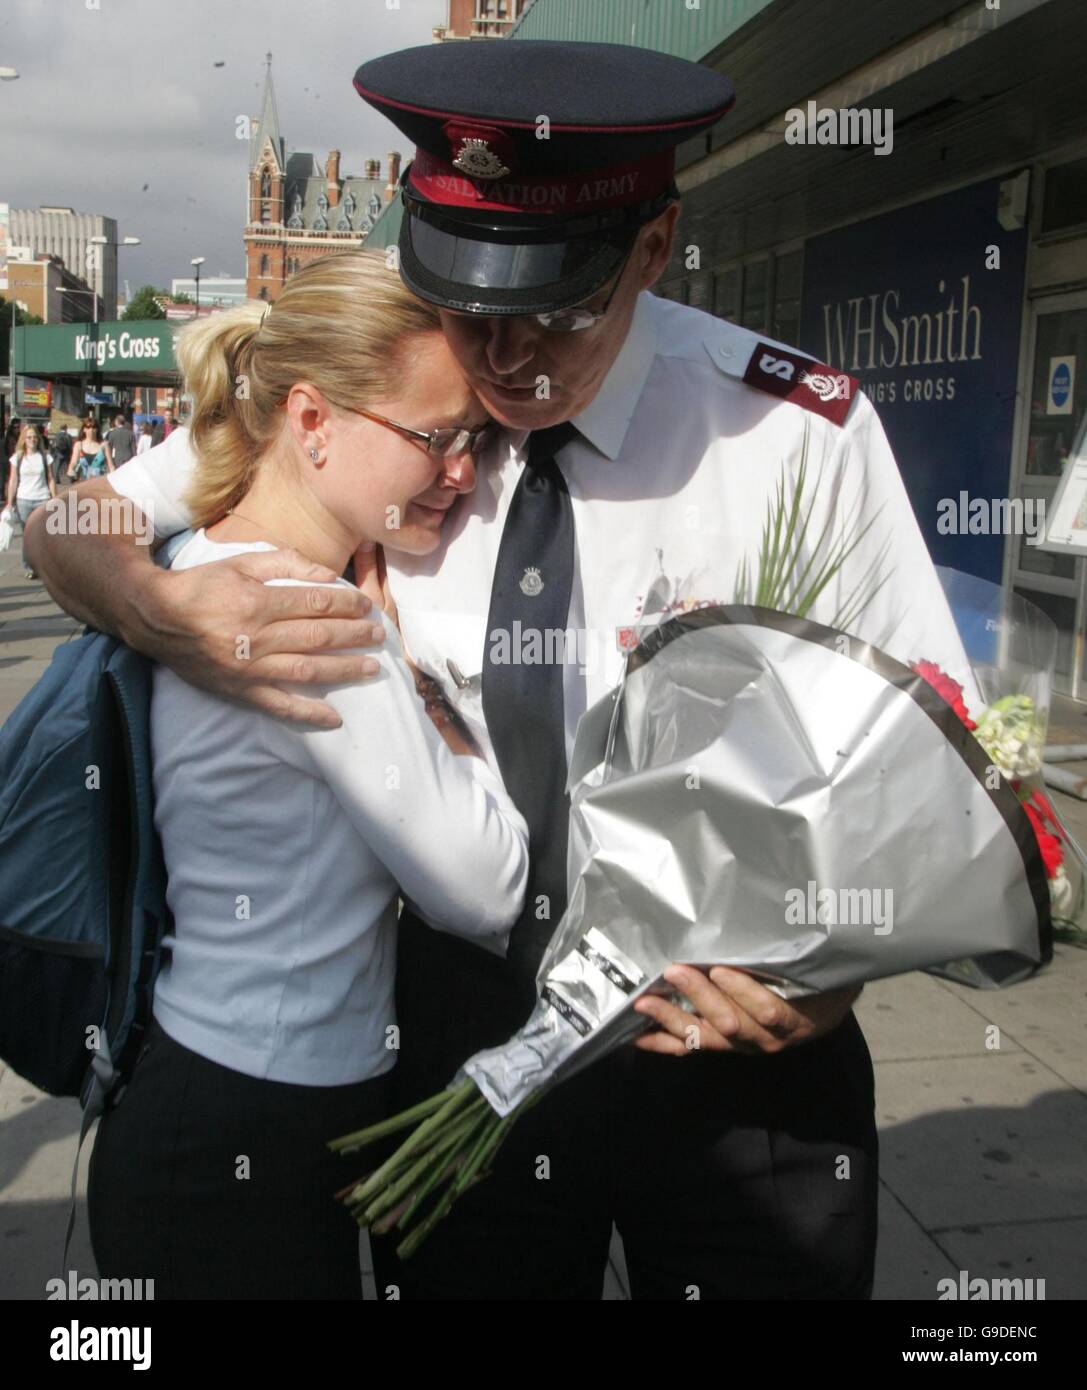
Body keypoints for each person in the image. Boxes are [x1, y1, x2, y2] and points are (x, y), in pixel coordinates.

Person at [28, 41, 975, 1300]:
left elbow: (930, 764)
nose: (509, 355)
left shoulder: (788, 431)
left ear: (652, 249)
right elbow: (75, 519)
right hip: (464, 1049)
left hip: (734, 1060)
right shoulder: (391, 396)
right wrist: (160, 608)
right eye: (472, 304)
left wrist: (829, 974)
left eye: (554, 307)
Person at [85, 250, 529, 1300]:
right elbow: (488, 888)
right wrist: (424, 692)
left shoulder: (200, 563)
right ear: (312, 420)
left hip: (200, 1101)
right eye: (435, 437)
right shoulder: (318, 622)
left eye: (473, 439)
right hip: (255, 1130)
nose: (462, 470)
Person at [6, 422, 56, 577]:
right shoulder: (17, 458)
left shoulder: (45, 457)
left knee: (42, 535)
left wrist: (54, 498)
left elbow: (50, 479)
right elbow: (13, 480)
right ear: (24, 439)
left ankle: (42, 566)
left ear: (38, 439)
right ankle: (29, 567)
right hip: (24, 500)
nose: (32, 440)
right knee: (27, 536)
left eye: (35, 437)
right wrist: (9, 503)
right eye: (29, 437)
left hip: (42, 499)